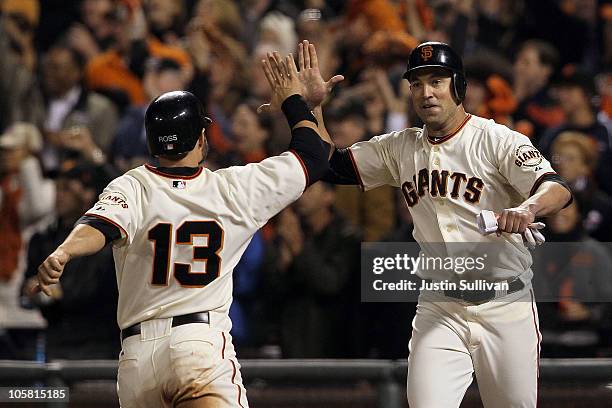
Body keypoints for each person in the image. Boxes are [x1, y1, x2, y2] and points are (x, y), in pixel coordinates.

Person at [33, 51, 332, 407]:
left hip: (137, 357)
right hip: (198, 347)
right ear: (201, 138)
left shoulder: (133, 185)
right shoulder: (235, 189)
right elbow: (315, 156)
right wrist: (301, 104)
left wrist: (64, 251)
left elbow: (98, 226)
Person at [297, 40, 572, 407]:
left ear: (458, 86)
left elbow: (557, 187)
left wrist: (528, 209)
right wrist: (311, 109)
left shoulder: (495, 139)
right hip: (440, 307)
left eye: (437, 81)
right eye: (417, 84)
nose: (426, 93)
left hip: (505, 305)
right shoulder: (400, 148)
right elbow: (327, 164)